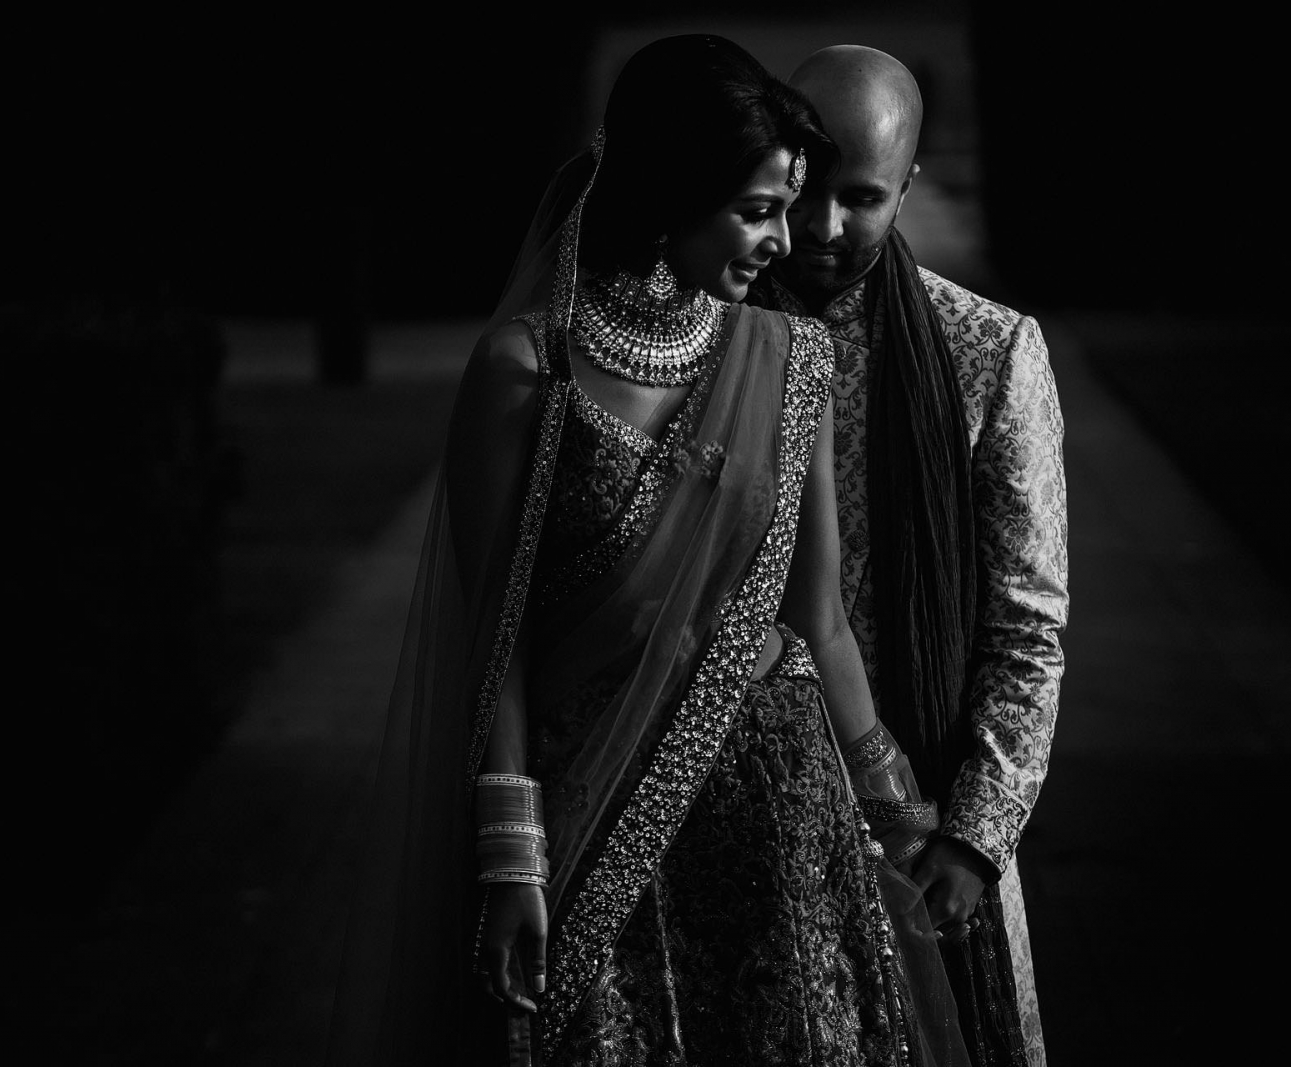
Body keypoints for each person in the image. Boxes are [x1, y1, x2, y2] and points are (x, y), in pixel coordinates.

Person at [324, 35, 974, 1066]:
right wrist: (509, 858)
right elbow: (497, 646)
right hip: (589, 812)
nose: (784, 240)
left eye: (787, 206)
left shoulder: (787, 355)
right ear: (673, 193)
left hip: (775, 814)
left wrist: (899, 812)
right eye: (757, 210)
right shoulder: (524, 370)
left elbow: (821, 623)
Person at [748, 45, 1069, 1067]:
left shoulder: (987, 351)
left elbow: (1026, 626)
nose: (824, 230)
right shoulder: (716, 339)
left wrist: (974, 837)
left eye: (864, 197)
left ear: (908, 184)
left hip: (930, 827)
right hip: (749, 820)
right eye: (808, 191)